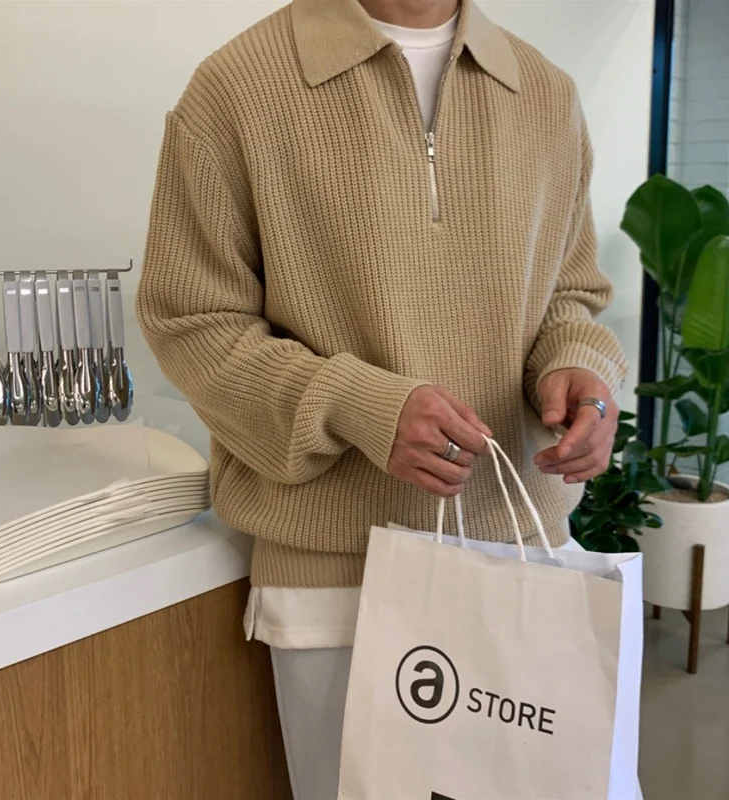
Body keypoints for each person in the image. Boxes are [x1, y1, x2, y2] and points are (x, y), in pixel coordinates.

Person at [137, 0, 627, 797]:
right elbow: (192, 323)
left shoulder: (545, 92)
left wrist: (580, 371)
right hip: (337, 580)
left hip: (523, 559)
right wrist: (355, 405)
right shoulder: (237, 89)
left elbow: (568, 295)